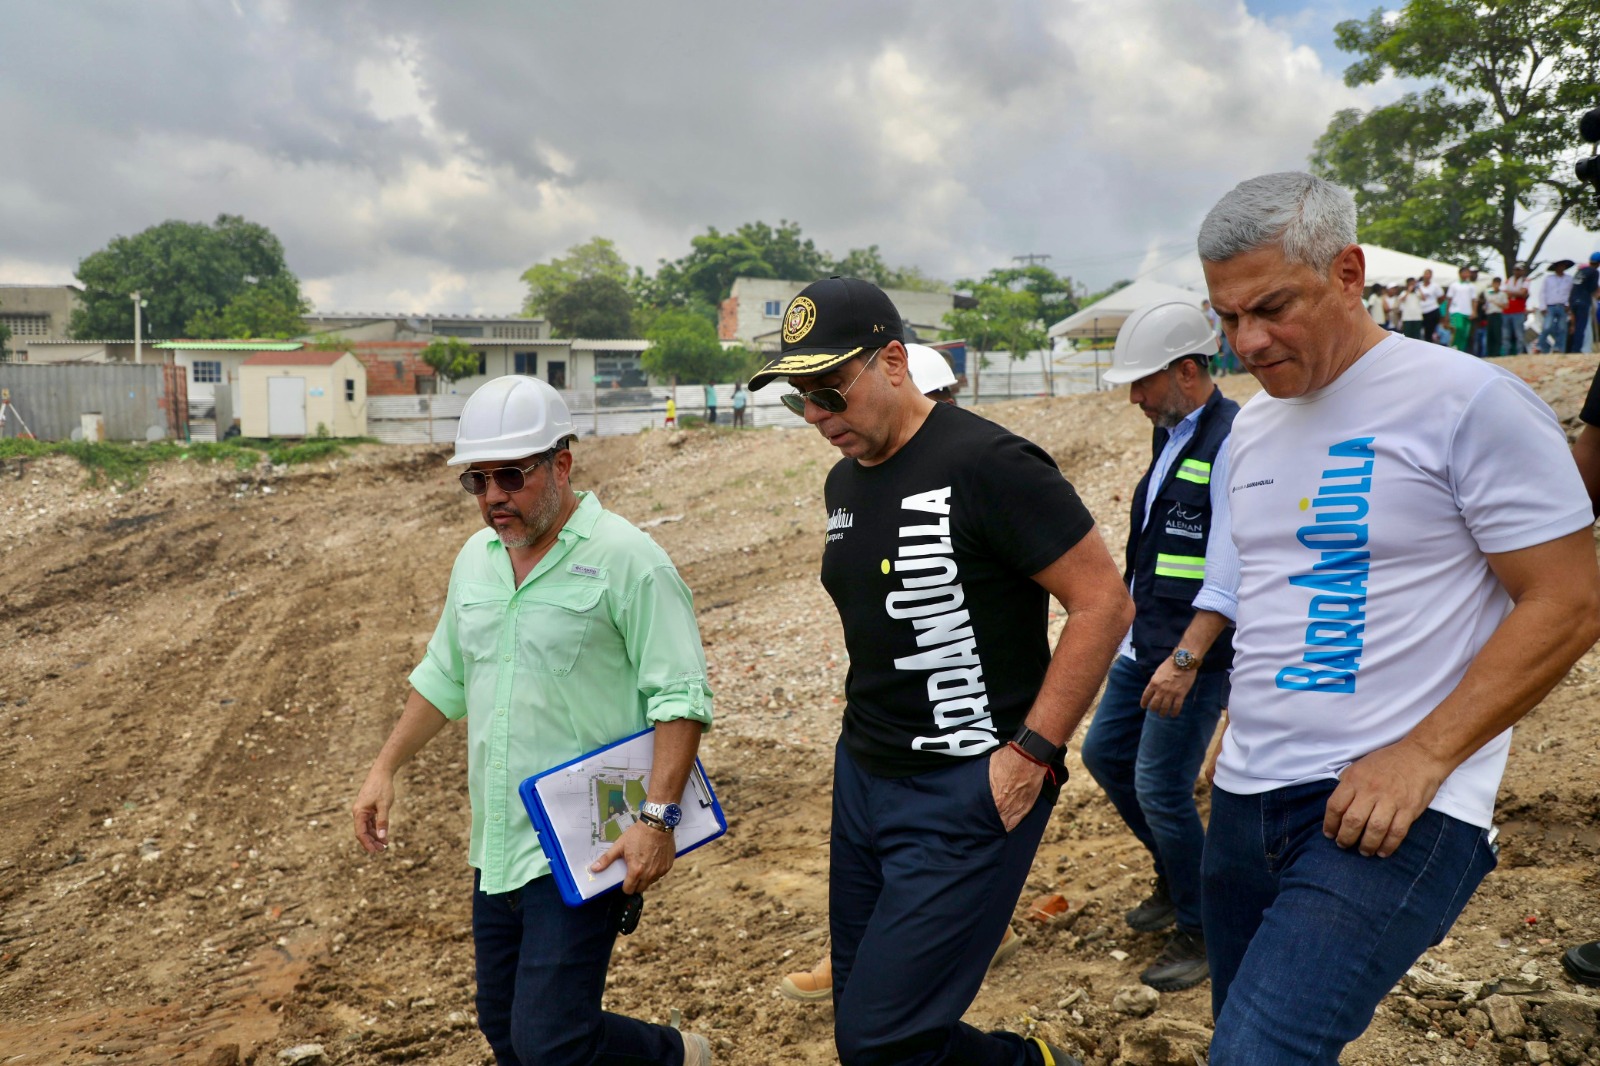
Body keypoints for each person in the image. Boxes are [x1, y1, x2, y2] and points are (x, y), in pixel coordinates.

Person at [1196, 171, 1600, 1064]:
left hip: (1397, 806)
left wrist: (1423, 754)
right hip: (1246, 803)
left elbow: (1570, 600)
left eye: (1271, 307)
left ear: (1347, 271)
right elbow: (1275, 586)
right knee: (1238, 1038)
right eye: (1226, 318)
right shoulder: (1253, 432)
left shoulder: (1469, 401)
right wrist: (1239, 719)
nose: (1248, 342)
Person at [749, 276, 1133, 1066]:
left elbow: (1103, 604)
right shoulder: (843, 481)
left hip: (969, 787)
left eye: (829, 392)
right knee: (866, 1014)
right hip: (865, 778)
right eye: (799, 401)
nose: (819, 419)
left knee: (882, 1040)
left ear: (893, 361)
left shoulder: (991, 462)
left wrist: (1033, 754)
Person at [351, 375, 717, 1066]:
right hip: (498, 844)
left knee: (552, 1039)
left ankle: (674, 1057)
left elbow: (680, 698)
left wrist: (658, 819)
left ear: (562, 464)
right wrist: (384, 766)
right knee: (506, 1030)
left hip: (587, 840)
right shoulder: (476, 562)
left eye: (512, 477)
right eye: (478, 480)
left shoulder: (627, 559)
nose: (494, 497)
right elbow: (445, 677)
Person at [1080, 301, 1239, 993]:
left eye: (1143, 382)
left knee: (1161, 788)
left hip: (1194, 653)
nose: (1134, 397)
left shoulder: (1237, 438)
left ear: (1187, 369)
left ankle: (1204, 929)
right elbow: (1155, 547)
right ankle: (1180, 881)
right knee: (1105, 754)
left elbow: (1233, 563)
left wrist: (1187, 658)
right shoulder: (1169, 432)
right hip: (1147, 638)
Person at [1537, 260, 1575, 354]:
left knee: (1562, 328)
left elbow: (1571, 293)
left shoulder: (1569, 279)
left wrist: (1568, 304)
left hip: (1563, 305)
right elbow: (1543, 293)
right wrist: (1543, 306)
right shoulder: (1548, 279)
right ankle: (1540, 346)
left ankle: (1559, 348)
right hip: (1550, 305)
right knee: (1547, 327)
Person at [1567, 253, 1600, 354]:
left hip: (1573, 300)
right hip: (1583, 301)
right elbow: (1593, 289)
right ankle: (1578, 349)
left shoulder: (1580, 271)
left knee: (1577, 326)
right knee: (1583, 326)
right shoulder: (1594, 272)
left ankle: (1577, 348)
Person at [1445, 266, 1478, 354]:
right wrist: (1447, 314)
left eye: (1468, 272)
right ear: (1460, 274)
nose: (1467, 274)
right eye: (1465, 272)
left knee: (1465, 333)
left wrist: (1474, 311)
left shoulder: (1471, 286)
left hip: (1467, 312)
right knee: (1458, 329)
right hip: (1456, 311)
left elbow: (1474, 300)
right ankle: (1453, 347)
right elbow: (1449, 299)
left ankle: (1461, 351)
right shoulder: (1454, 285)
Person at [1503, 264, 1531, 354]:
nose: (1517, 272)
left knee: (1519, 334)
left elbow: (1523, 293)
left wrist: (1511, 293)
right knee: (1506, 334)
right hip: (1507, 311)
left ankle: (1519, 352)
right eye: (1516, 270)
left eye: (1519, 270)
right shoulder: (1508, 281)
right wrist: (1517, 293)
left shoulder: (1525, 281)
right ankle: (1506, 353)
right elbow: (1503, 293)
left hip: (1518, 311)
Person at [1417, 268, 1444, 343]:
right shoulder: (1419, 285)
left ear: (1431, 276)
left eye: (1429, 274)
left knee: (1430, 331)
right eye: (1426, 274)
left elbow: (1441, 297)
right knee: (1423, 331)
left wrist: (1436, 304)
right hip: (1421, 311)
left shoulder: (1435, 286)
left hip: (1432, 310)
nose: (1427, 276)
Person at [1482, 277, 1507, 358]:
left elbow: (1505, 305)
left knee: (1497, 334)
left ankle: (1497, 353)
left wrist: (1495, 302)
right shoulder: (1488, 291)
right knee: (1490, 334)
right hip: (1489, 314)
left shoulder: (1502, 294)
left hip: (1497, 314)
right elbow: (1487, 301)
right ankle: (1490, 353)